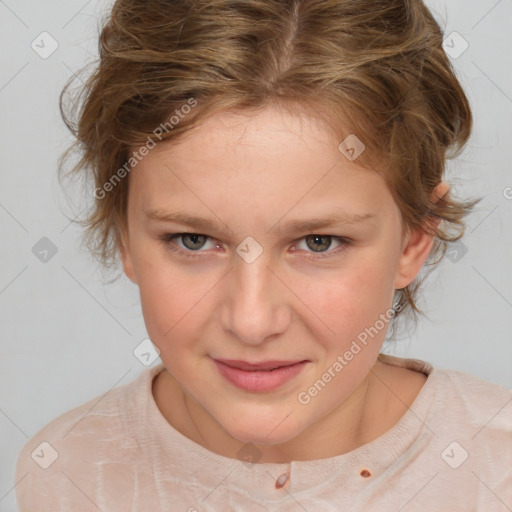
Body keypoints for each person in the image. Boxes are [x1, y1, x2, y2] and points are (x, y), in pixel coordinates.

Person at [15, 0, 512, 510]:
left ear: (414, 238)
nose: (252, 322)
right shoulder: (67, 472)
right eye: (193, 240)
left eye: (319, 242)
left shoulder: (498, 473)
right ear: (124, 235)